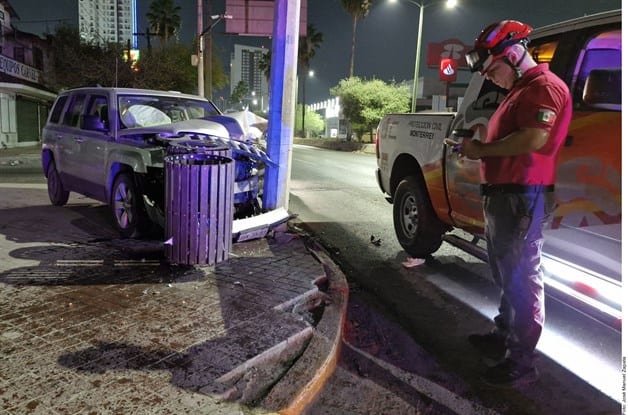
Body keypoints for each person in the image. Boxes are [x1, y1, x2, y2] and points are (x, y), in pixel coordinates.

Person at [445, 20, 572, 387]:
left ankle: (521, 361)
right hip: (506, 195)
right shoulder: (521, 89)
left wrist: (482, 150)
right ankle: (502, 336)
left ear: (514, 54)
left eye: (493, 68)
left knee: (521, 276)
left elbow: (533, 138)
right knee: (506, 271)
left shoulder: (544, 87)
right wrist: (482, 143)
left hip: (522, 196)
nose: (491, 77)